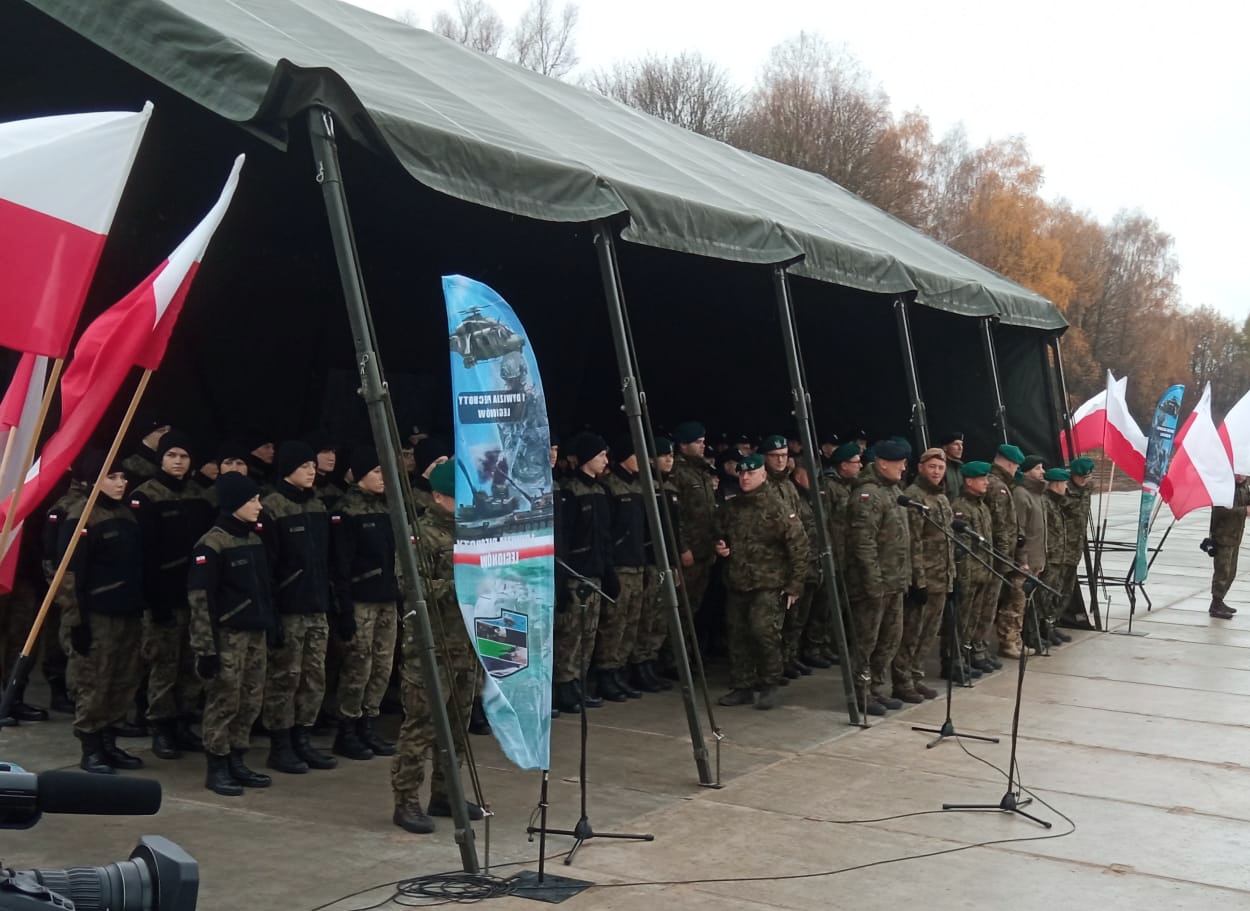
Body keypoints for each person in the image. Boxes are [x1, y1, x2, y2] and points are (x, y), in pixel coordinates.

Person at [392, 459, 484, 833]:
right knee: (422, 725)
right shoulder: (420, 535)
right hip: (431, 647)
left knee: (458, 726)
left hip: (466, 644)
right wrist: (463, 587)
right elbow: (411, 585)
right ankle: (406, 800)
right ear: (438, 497)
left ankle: (446, 792)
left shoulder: (474, 532)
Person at [187, 472, 275, 796]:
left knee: (250, 700)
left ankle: (237, 758)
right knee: (225, 700)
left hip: (255, 632)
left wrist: (271, 624)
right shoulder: (212, 545)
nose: (258, 506)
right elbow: (200, 600)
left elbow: (264, 589)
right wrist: (205, 649)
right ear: (235, 502)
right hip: (228, 637)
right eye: (252, 500)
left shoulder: (253, 539)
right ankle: (217, 764)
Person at [130, 429, 213, 759]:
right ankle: (161, 726)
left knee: (191, 664)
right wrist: (154, 599)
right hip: (162, 596)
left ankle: (183, 722)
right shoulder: (145, 496)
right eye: (171, 455)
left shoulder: (199, 496)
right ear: (160, 459)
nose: (178, 462)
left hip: (193, 596)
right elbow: (143, 555)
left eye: (184, 456)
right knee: (163, 664)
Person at [61, 452, 146, 774]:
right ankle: (91, 746)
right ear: (94, 481)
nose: (120, 483)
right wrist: (76, 621)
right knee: (94, 681)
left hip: (128, 611)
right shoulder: (82, 516)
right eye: (112, 477)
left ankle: (110, 741)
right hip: (98, 615)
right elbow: (69, 575)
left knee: (123, 680)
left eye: (123, 477)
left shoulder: (126, 514)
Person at [260, 440, 336, 774]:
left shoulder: (317, 505)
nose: (311, 471)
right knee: (285, 677)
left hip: (316, 604)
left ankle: (303, 738)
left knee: (313, 676)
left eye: (313, 466)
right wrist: (272, 613)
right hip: (288, 607)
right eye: (304, 466)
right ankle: (280, 744)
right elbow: (267, 566)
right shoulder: (272, 507)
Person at [714, 454, 808, 709]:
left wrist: (795, 584)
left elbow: (799, 546)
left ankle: (769, 683)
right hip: (738, 581)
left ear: (763, 475)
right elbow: (719, 532)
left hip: (768, 583)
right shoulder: (731, 507)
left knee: (764, 632)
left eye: (751, 473)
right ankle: (742, 685)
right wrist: (720, 546)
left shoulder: (776, 508)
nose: (745, 478)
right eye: (742, 473)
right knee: (738, 635)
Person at [329, 446, 400, 760]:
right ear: (360, 475)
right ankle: (347, 728)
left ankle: (368, 724)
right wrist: (344, 607)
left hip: (387, 598)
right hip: (361, 600)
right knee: (359, 665)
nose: (383, 477)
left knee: (382, 665)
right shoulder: (346, 510)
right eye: (376, 471)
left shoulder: (387, 507)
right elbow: (340, 565)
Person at [845, 439, 912, 715]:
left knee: (889, 639)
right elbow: (863, 543)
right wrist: (873, 583)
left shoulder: (894, 491)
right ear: (883, 463)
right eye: (900, 463)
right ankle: (860, 693)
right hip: (873, 585)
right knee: (866, 641)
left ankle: (875, 688)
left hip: (894, 581)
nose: (904, 468)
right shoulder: (868, 494)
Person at [551, 433, 616, 714]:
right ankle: (563, 685)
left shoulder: (601, 491)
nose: (605, 461)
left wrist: (608, 571)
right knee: (570, 634)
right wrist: (563, 579)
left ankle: (579, 682)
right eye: (601, 455)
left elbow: (606, 536)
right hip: (575, 575)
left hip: (595, 574)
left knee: (588, 634)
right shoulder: (570, 491)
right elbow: (564, 539)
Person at [893, 447, 954, 702]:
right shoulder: (913, 497)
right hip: (924, 578)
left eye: (940, 468)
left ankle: (916, 676)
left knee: (929, 633)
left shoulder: (941, 498)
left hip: (941, 577)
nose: (937, 472)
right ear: (920, 468)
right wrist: (918, 581)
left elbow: (948, 539)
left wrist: (952, 575)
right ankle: (902, 681)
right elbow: (914, 542)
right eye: (932, 467)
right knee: (912, 633)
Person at [594, 434, 651, 701]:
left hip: (638, 562)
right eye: (636, 454)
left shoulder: (639, 486)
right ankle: (606, 672)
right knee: (613, 623)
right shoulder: (610, 487)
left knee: (631, 622)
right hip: (619, 564)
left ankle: (620, 670)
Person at [803, 441, 862, 668]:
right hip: (832, 554)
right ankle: (813, 647)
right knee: (823, 604)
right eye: (856, 462)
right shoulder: (828, 487)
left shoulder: (849, 486)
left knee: (835, 604)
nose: (860, 466)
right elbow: (822, 522)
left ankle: (826, 644)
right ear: (843, 465)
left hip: (845, 554)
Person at [950, 461, 995, 683]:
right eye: (982, 479)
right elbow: (962, 547)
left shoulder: (981, 506)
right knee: (961, 620)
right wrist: (964, 577)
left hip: (982, 571)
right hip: (968, 574)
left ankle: (968, 656)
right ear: (969, 481)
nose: (986, 482)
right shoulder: (961, 507)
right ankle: (954, 661)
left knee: (973, 619)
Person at [669, 421, 718, 614]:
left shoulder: (702, 471)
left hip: (705, 550)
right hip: (689, 552)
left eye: (703, 441)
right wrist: (683, 548)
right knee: (681, 606)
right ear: (683, 445)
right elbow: (675, 514)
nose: (703, 445)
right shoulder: (677, 472)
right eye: (697, 442)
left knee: (695, 606)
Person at [981, 443, 1023, 662]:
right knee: (986, 606)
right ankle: (977, 650)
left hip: (1000, 556)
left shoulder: (1002, 484)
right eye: (1015, 465)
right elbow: (1000, 526)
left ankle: (980, 650)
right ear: (1008, 463)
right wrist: (1004, 558)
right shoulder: (997, 486)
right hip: (996, 558)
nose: (1016, 470)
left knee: (991, 606)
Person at [1039, 467, 1076, 646]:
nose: (1066, 487)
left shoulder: (1056, 502)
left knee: (1055, 594)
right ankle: (1041, 629)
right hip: (1050, 556)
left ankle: (1050, 626)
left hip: (1058, 556)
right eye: (1064, 483)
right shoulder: (1046, 502)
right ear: (1056, 484)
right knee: (1045, 595)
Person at [1208, 475, 1250, 619]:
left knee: (1231, 572)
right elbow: (1220, 510)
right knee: (1222, 571)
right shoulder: (1223, 487)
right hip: (1223, 536)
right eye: (1237, 473)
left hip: (1235, 536)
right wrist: (1244, 511)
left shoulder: (1244, 487)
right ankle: (1216, 603)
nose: (1240, 476)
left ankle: (1219, 601)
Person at [937, 432, 965, 500]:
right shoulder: (939, 468)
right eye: (956, 444)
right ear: (945, 448)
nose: (960, 448)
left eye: (961, 444)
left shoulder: (963, 468)